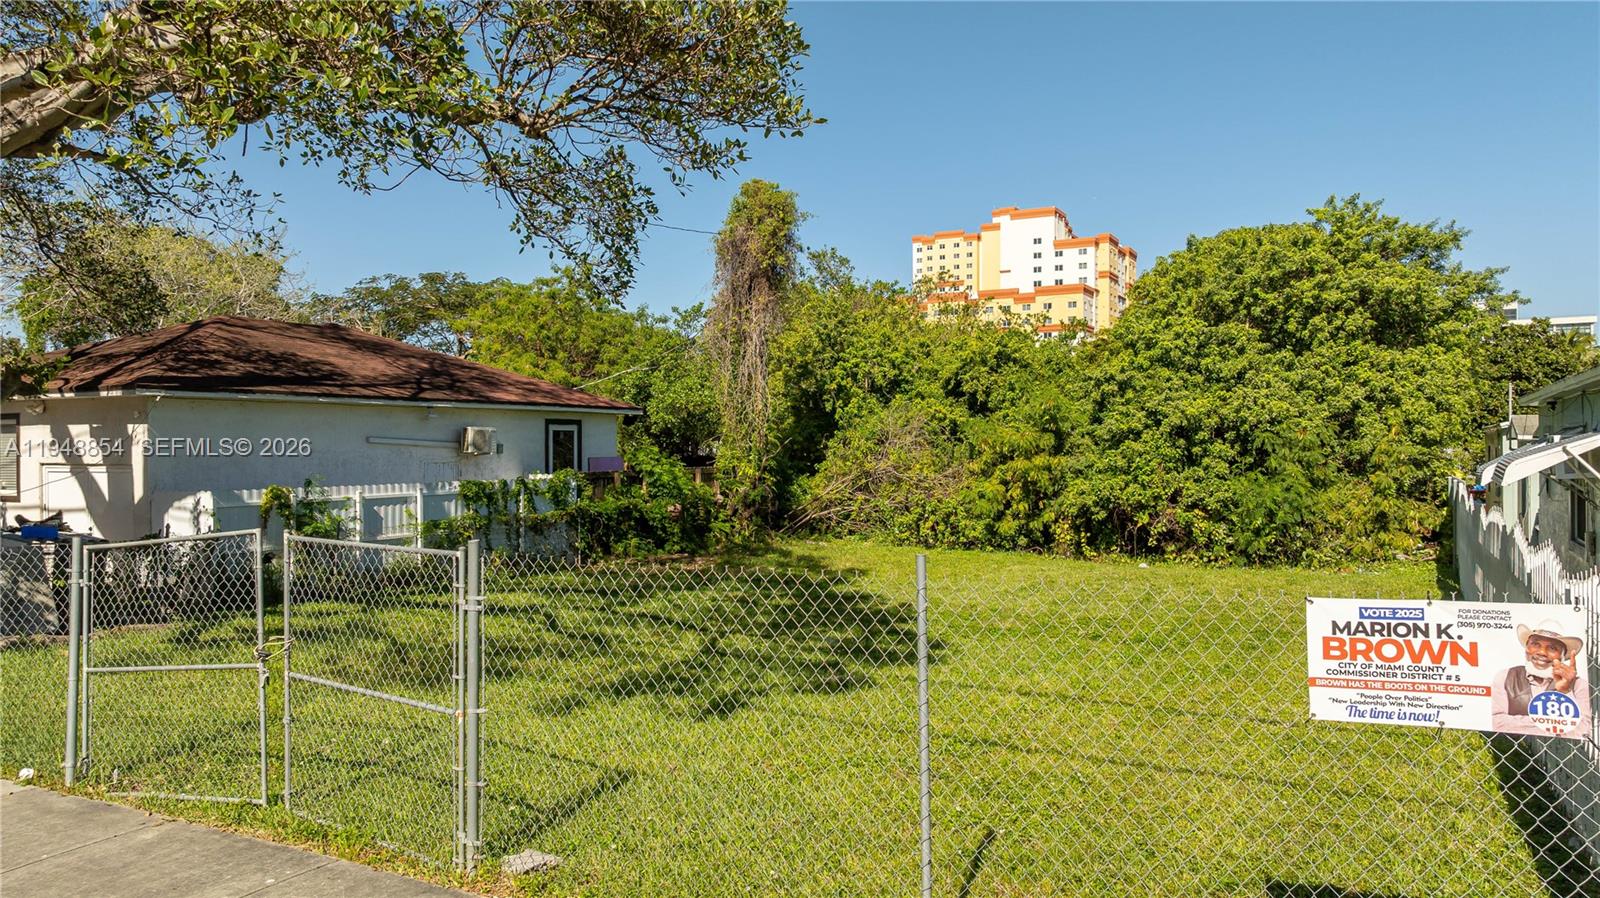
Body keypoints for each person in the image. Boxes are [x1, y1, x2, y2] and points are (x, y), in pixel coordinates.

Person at [1491, 620, 1590, 738]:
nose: (1542, 652)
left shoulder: (1579, 685)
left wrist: (1565, 691)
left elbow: (1581, 732)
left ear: (1562, 656)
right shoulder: (1505, 676)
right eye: (1535, 644)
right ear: (1526, 648)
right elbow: (1496, 722)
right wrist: (1553, 726)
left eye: (1552, 648)